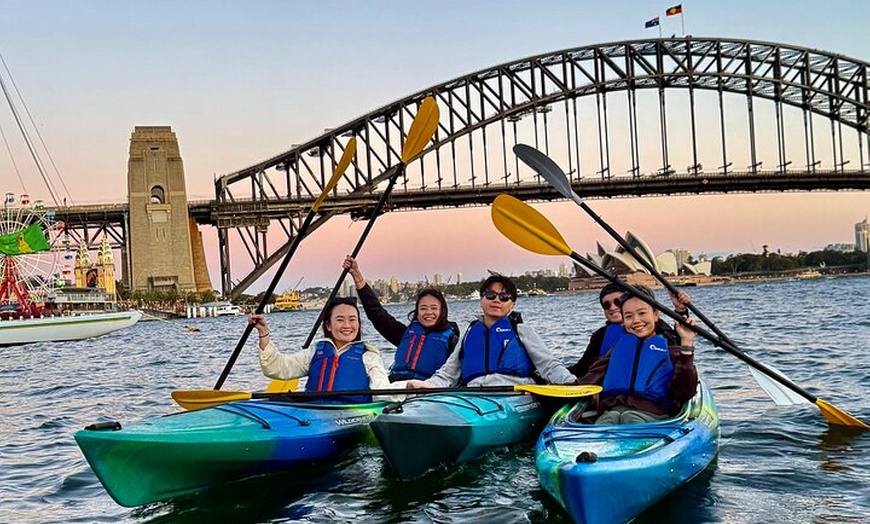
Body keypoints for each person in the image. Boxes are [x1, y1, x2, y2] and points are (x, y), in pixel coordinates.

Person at [406, 274, 577, 389]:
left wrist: (571, 382)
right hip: (474, 395)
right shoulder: (469, 333)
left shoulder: (521, 330)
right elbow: (448, 373)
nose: (496, 300)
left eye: (504, 297)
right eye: (490, 295)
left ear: (512, 305)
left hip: (514, 393)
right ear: (481, 300)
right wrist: (427, 385)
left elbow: (549, 365)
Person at [576, 285, 698, 425]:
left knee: (630, 418)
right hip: (611, 415)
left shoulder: (668, 347)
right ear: (623, 320)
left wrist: (687, 341)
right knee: (610, 420)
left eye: (642, 313)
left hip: (650, 417)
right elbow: (589, 378)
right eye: (628, 316)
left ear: (655, 315)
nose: (636, 321)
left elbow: (684, 392)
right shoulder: (616, 350)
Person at [249, 296, 397, 403]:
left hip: (349, 414)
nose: (347, 325)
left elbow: (382, 392)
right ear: (328, 325)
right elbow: (277, 368)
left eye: (352, 320)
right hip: (314, 412)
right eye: (340, 320)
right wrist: (263, 332)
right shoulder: (315, 352)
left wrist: (408, 387)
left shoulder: (369, 356)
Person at [343, 256, 460, 382]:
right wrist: (356, 275)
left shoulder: (452, 341)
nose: (428, 312)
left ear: (442, 311)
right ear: (417, 312)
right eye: (423, 308)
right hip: (396, 386)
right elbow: (376, 313)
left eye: (434, 308)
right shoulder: (405, 334)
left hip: (426, 390)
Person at [568, 283, 693, 377]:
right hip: (609, 394)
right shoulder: (600, 335)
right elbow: (582, 368)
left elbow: (679, 345)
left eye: (617, 302)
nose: (612, 308)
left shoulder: (655, 328)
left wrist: (681, 311)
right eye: (606, 305)